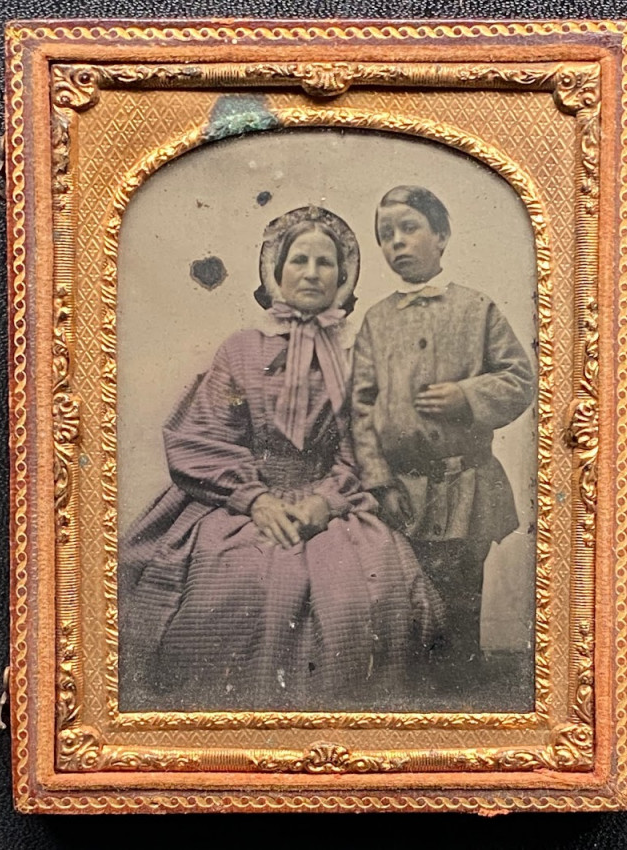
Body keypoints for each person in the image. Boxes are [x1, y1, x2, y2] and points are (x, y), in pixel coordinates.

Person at [119, 205, 445, 712]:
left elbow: (365, 445)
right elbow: (205, 436)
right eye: (299, 260)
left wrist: (327, 502)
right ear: (276, 270)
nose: (312, 273)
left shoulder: (362, 353)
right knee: (228, 587)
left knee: (359, 596)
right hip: (239, 502)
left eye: (325, 263)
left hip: (334, 503)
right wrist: (255, 499)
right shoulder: (242, 350)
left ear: (345, 275)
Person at [351, 186, 535, 667]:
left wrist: (467, 397)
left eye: (409, 228)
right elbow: (361, 408)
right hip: (400, 496)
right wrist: (376, 480)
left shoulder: (477, 309)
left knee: (459, 606)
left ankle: (463, 705)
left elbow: (519, 380)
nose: (397, 243)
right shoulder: (376, 320)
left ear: (442, 235)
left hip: (466, 491)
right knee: (407, 609)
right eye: (386, 235)